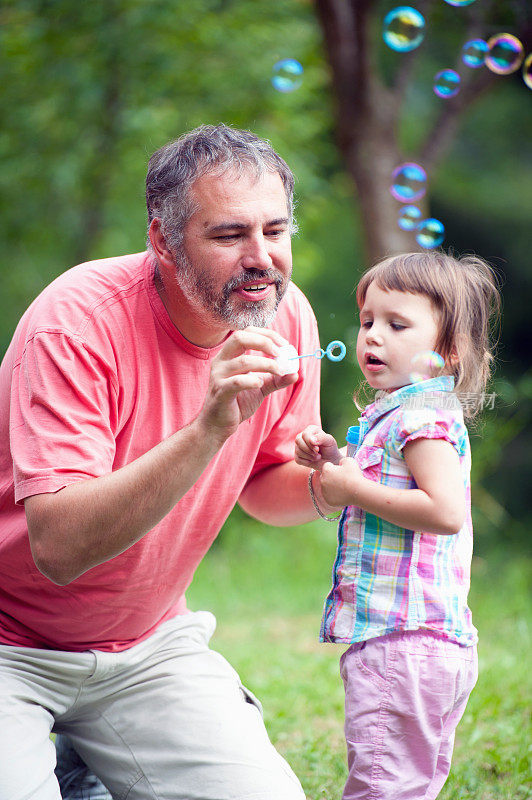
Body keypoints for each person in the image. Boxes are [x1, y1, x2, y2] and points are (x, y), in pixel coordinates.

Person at [0, 124, 323, 800]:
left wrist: (351, 483)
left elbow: (265, 484)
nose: (262, 258)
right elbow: (58, 547)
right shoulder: (76, 322)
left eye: (276, 230)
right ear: (162, 241)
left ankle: (85, 760)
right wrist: (209, 427)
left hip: (145, 648)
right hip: (10, 644)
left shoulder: (283, 317)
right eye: (230, 235)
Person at [295, 251, 501, 800]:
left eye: (396, 324)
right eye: (367, 322)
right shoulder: (401, 412)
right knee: (405, 785)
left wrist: (352, 488)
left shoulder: (420, 417)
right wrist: (333, 464)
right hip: (420, 642)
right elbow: (382, 490)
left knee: (381, 786)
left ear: (447, 352)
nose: (373, 337)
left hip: (404, 641)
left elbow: (445, 512)